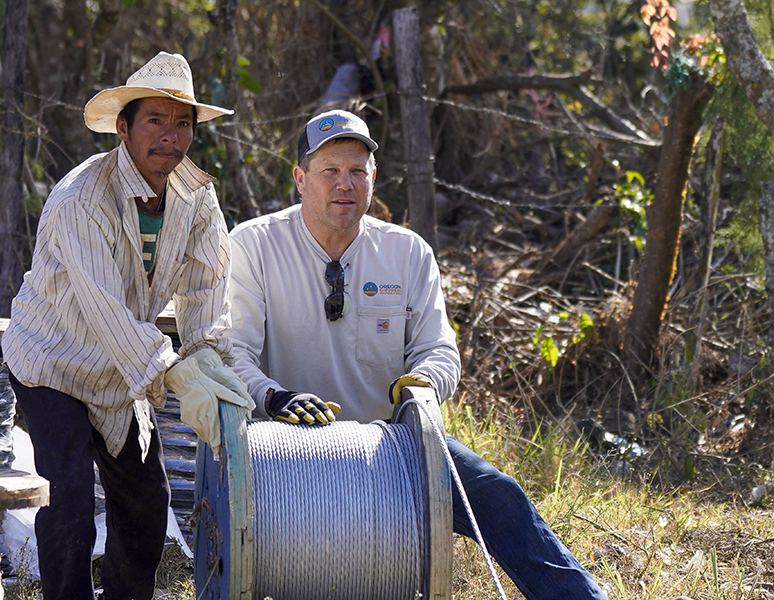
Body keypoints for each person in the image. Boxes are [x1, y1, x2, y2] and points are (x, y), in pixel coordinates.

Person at [225, 109, 609, 600]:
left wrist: (421, 387)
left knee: (498, 495)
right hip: (284, 453)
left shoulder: (407, 252)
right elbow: (232, 352)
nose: (344, 184)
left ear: (373, 178)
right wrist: (273, 398)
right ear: (300, 178)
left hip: (396, 452)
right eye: (329, 171)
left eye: (357, 171)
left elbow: (440, 351)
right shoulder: (254, 246)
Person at [1, 52, 253, 600]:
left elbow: (208, 287)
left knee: (146, 502)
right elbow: (107, 312)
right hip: (54, 359)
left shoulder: (198, 196)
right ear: (123, 128)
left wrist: (206, 354)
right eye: (155, 121)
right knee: (66, 497)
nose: (170, 137)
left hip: (122, 371)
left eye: (182, 123)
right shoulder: (81, 199)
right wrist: (176, 374)